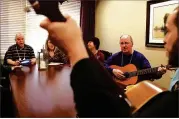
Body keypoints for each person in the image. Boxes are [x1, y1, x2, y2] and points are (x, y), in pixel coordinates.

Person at [39, 6, 178, 117]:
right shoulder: (116, 56)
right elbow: (104, 65)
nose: (164, 39)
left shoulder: (140, 57)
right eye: (121, 43)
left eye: (169, 31)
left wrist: (158, 73)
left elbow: (149, 73)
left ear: (132, 44)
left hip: (135, 93)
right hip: (120, 91)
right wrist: (113, 70)